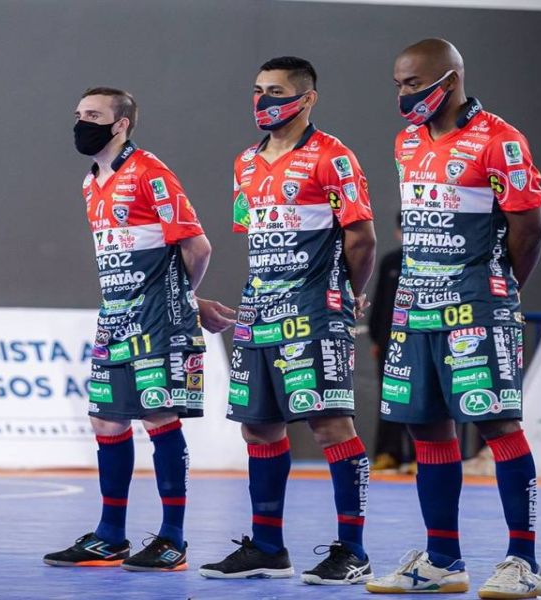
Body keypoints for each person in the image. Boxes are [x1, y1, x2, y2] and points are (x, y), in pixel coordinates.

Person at [367, 39, 541, 598]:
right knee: (425, 427)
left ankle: (523, 560)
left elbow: (530, 230)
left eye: (413, 84)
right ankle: (443, 558)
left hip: (477, 308)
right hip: (414, 309)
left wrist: (497, 292)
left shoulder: (500, 139)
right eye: (398, 84)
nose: (403, 94)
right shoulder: (406, 141)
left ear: (449, 80)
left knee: (497, 425)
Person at [198, 56, 377, 585]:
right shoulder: (245, 163)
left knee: (329, 423)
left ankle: (354, 550)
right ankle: (268, 547)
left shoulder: (333, 156)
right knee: (258, 427)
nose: (263, 100)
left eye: (276, 91)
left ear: (307, 98)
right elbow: (256, 236)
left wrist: (348, 293)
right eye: (258, 90)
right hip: (259, 310)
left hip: (315, 310)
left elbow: (361, 238)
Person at [42, 87, 234, 572]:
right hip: (115, 317)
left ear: (121, 123)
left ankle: (173, 539)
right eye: (78, 114)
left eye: (93, 115)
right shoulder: (91, 183)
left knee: (158, 416)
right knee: (106, 421)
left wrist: (181, 300)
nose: (81, 123)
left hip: (157, 320)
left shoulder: (150, 171)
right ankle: (110, 536)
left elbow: (198, 247)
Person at [367, 213, 414, 472]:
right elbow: (380, 303)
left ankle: (419, 455)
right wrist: (376, 338)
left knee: (419, 396)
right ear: (397, 232)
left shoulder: (431, 262)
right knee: (389, 396)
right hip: (389, 342)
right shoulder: (390, 262)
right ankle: (388, 453)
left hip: (418, 339)